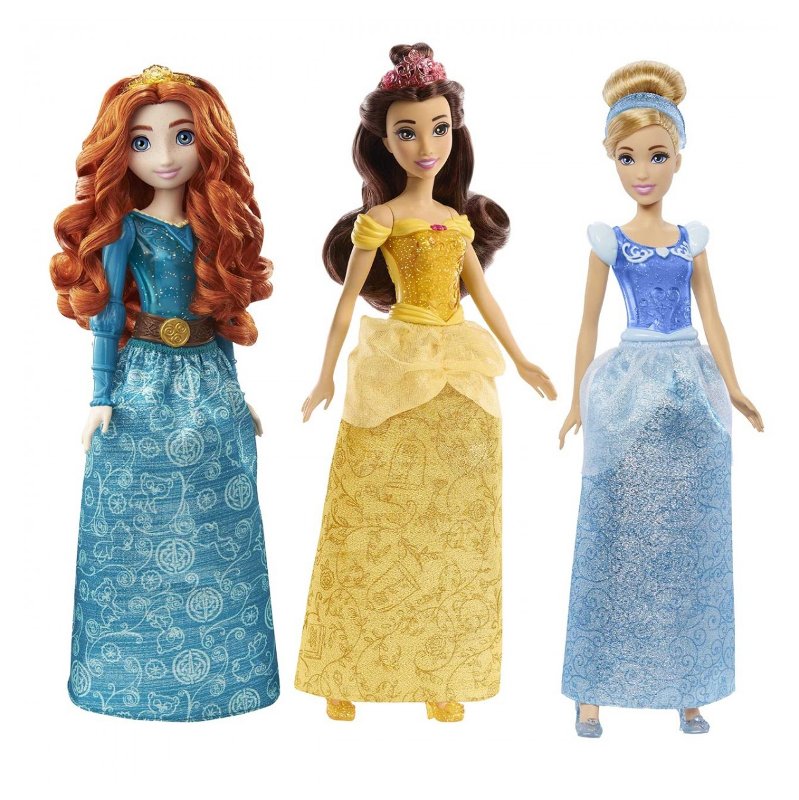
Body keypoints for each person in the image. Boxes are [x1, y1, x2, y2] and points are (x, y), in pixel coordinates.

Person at [294, 44, 556, 722]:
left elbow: (484, 299)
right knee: (371, 519)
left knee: (455, 526)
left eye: (438, 128)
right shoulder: (380, 221)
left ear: (454, 132)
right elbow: (345, 305)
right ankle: (344, 672)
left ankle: (444, 673)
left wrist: (523, 360)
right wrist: (324, 376)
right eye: (407, 132)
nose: (425, 145)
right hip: (396, 364)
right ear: (384, 143)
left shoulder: (457, 221)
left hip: (460, 372)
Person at [50, 65, 279, 721]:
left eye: (182, 136)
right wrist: (100, 395)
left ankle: (227, 677)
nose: (165, 155)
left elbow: (220, 312)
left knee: (218, 526)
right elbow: (106, 318)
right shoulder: (127, 228)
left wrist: (236, 392)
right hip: (144, 381)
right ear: (120, 152)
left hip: (209, 380)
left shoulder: (213, 227)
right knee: (133, 525)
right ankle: (125, 676)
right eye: (142, 141)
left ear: (208, 143)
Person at [559, 60, 763, 737]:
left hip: (690, 393)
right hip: (627, 392)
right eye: (627, 157)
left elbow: (713, 318)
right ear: (611, 160)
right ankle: (591, 690)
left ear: (677, 157)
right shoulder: (608, 242)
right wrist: (577, 401)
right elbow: (586, 324)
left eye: (655, 155)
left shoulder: (691, 240)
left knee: (689, 539)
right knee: (613, 532)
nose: (641, 171)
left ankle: (688, 684)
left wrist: (734, 388)